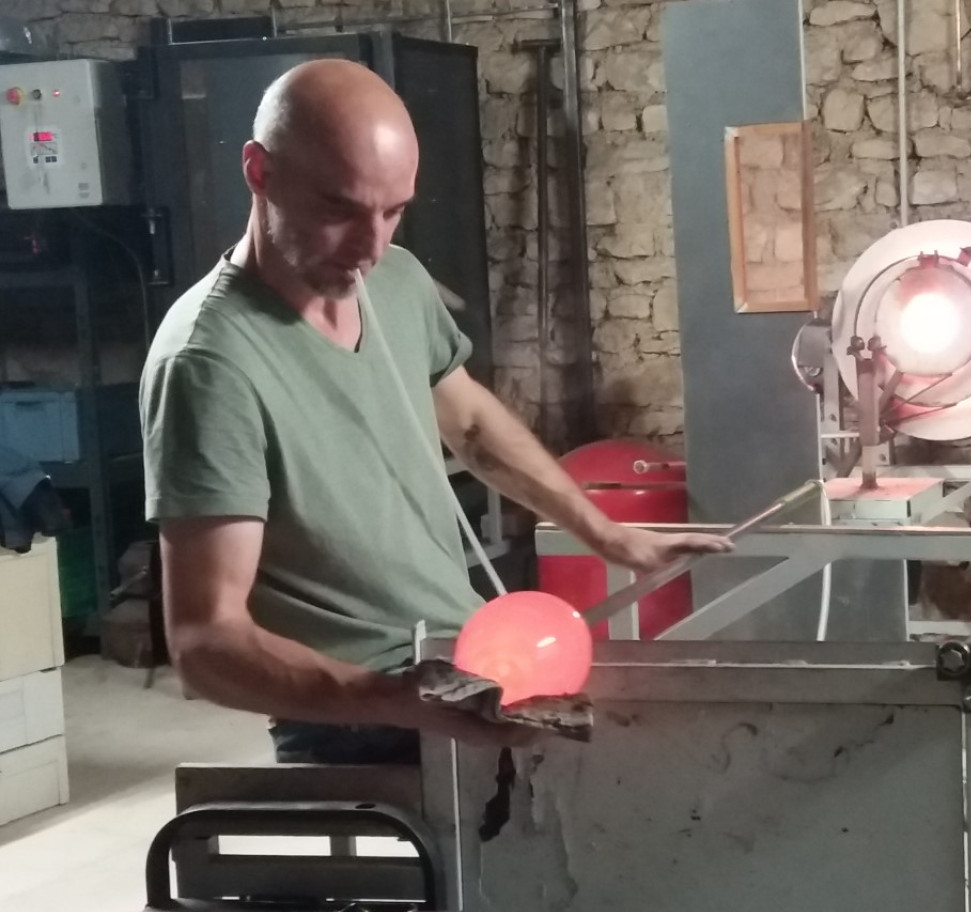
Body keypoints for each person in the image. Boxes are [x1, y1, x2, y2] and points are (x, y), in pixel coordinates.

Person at [139, 59, 726, 764]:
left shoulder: (396, 282)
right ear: (258, 172)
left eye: (394, 211)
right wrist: (397, 698)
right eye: (340, 209)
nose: (371, 247)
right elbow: (208, 643)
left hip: (462, 662)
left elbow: (472, 424)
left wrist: (608, 535)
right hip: (359, 714)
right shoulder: (209, 363)